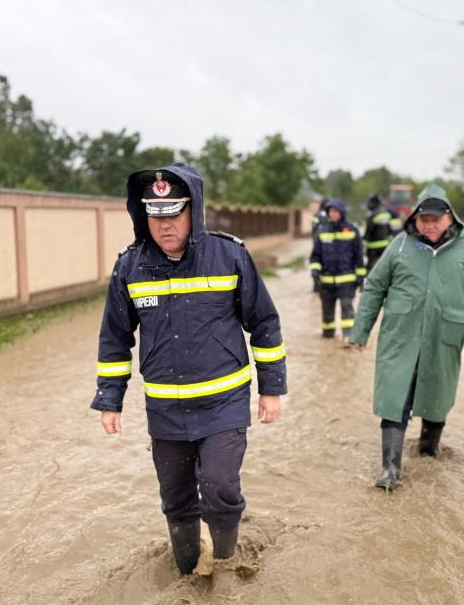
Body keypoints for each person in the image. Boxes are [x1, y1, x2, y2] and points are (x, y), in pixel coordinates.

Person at [91, 163, 287, 574]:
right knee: (176, 499)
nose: (164, 225)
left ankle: (226, 563)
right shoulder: (130, 267)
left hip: (224, 404)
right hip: (165, 410)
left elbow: (264, 323)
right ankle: (187, 573)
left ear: (193, 211)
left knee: (219, 487)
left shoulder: (229, 255)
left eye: (173, 214)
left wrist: (271, 389)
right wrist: (110, 399)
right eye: (155, 215)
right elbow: (115, 337)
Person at [348, 183, 464, 491]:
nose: (428, 225)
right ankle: (390, 469)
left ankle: (429, 452)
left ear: (450, 218)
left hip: (444, 338)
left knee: (436, 398)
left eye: (435, 219)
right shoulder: (400, 246)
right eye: (423, 219)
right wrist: (360, 331)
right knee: (394, 399)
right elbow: (374, 287)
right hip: (400, 338)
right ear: (415, 218)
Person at [310, 199, 366, 339]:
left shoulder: (352, 230)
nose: (332, 214)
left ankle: (348, 336)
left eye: (335, 211)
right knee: (327, 311)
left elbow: (359, 256)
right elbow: (315, 255)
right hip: (326, 282)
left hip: (347, 281)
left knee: (347, 308)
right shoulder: (322, 230)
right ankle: (328, 335)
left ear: (342, 212)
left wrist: (361, 277)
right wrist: (315, 270)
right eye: (330, 211)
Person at [363, 193, 402, 272]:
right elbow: (393, 229)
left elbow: (368, 232)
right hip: (386, 246)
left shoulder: (372, 215)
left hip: (373, 248)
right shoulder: (388, 213)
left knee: (372, 269)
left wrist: (364, 245)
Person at [309, 197, 330, 292]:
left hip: (318, 243)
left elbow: (313, 230)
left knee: (316, 264)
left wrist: (315, 241)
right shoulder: (330, 215)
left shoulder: (317, 215)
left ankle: (316, 287)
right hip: (328, 244)